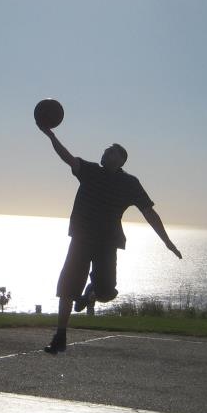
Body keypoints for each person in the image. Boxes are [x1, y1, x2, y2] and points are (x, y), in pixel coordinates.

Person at [38, 122, 182, 354]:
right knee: (66, 289)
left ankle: (91, 292)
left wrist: (166, 241)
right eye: (105, 150)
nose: (105, 153)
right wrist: (51, 135)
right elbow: (67, 157)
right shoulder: (90, 171)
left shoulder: (130, 183)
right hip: (81, 239)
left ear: (122, 160)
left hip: (107, 243)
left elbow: (149, 212)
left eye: (111, 151)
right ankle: (60, 337)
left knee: (106, 292)